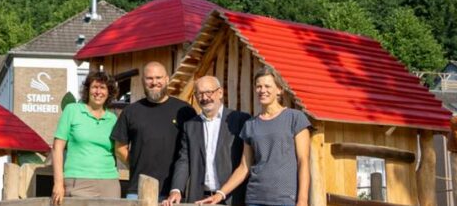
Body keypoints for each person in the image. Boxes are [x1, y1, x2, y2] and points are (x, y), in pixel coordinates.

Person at [197, 66, 310, 206]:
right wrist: (220, 194)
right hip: (254, 198)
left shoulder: (295, 118)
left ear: (279, 90)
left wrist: (303, 200)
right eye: (258, 86)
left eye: (267, 86)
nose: (262, 90)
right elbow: (244, 167)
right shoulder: (250, 124)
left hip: (285, 198)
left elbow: (303, 161)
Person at [111, 61, 197, 199]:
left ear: (167, 79)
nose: (154, 82)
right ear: (143, 81)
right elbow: (120, 148)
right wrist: (137, 165)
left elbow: (194, 150)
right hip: (137, 190)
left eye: (158, 78)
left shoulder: (184, 111)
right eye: (149, 78)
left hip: (174, 192)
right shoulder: (131, 111)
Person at [164, 76, 250, 206]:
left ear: (220, 93)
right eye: (199, 94)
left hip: (231, 198)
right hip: (200, 199)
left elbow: (247, 163)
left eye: (209, 92)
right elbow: (184, 160)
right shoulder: (190, 125)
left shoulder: (240, 120)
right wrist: (176, 190)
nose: (204, 98)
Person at [51, 71, 120, 204]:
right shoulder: (72, 110)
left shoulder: (112, 119)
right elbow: (57, 148)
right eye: (95, 87)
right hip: (78, 180)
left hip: (110, 183)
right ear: (88, 90)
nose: (98, 92)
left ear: (109, 92)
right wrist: (58, 183)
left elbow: (118, 151)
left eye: (103, 88)